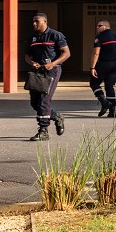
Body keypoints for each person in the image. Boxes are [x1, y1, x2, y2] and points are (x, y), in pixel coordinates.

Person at [24, 11, 70, 141]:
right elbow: (27, 55)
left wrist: (53, 64)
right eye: (33, 21)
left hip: (52, 71)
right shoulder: (32, 37)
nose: (34, 24)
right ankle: (57, 117)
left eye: (37, 21)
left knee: (44, 100)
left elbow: (66, 53)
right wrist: (31, 62)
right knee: (35, 103)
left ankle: (43, 130)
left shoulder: (55, 35)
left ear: (45, 22)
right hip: (37, 72)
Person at [90, 19, 116, 118]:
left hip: (104, 63)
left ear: (105, 26)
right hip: (115, 64)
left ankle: (104, 102)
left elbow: (96, 53)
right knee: (109, 86)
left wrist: (92, 67)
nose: (97, 27)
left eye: (99, 26)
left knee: (94, 83)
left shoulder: (100, 37)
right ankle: (112, 111)